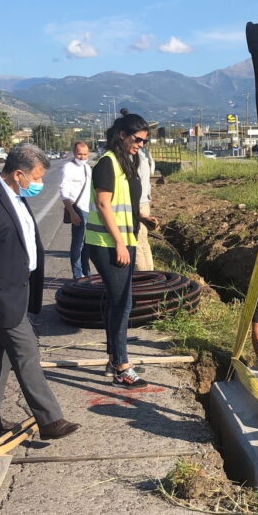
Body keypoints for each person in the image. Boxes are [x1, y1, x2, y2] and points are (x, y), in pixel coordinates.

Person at [0, 142, 80, 440]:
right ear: (17, 174)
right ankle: (50, 421)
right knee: (27, 352)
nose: (38, 184)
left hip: (17, 288)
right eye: (36, 178)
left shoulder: (14, 195)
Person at [85, 111, 159, 389]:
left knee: (118, 301)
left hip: (123, 238)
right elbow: (104, 205)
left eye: (144, 141)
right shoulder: (107, 163)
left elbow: (124, 202)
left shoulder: (126, 161)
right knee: (122, 303)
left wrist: (142, 219)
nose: (141, 144)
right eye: (137, 139)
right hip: (106, 243)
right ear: (121, 135)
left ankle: (114, 358)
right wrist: (119, 243)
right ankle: (122, 368)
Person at [59, 141, 92, 281]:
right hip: (78, 209)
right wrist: (72, 212)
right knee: (78, 245)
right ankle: (78, 276)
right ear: (74, 152)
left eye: (85, 154)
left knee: (87, 246)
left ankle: (87, 274)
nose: (82, 157)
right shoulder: (68, 167)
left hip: (89, 210)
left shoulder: (87, 167)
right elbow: (63, 192)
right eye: (79, 154)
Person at [134, 143, 156, 271]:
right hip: (144, 204)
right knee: (143, 242)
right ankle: (150, 273)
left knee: (136, 242)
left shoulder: (135, 160)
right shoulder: (145, 158)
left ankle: (143, 277)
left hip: (138, 204)